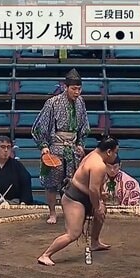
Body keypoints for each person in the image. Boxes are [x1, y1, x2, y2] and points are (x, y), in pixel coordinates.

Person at [37, 137, 119, 266]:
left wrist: (99, 201)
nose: (116, 155)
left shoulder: (92, 155)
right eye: (115, 152)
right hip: (74, 199)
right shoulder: (98, 165)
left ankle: (95, 242)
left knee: (102, 211)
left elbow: (92, 187)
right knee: (73, 233)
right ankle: (45, 255)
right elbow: (92, 190)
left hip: (83, 195)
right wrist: (97, 206)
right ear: (109, 152)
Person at [32, 68, 91, 224]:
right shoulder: (52, 103)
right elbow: (39, 127)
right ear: (66, 87)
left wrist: (80, 143)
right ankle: (52, 212)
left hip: (73, 147)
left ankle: (71, 212)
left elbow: (84, 126)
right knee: (52, 183)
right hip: (55, 146)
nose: (77, 92)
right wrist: (43, 146)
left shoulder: (81, 102)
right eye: (74, 89)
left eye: (79, 89)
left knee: (74, 182)